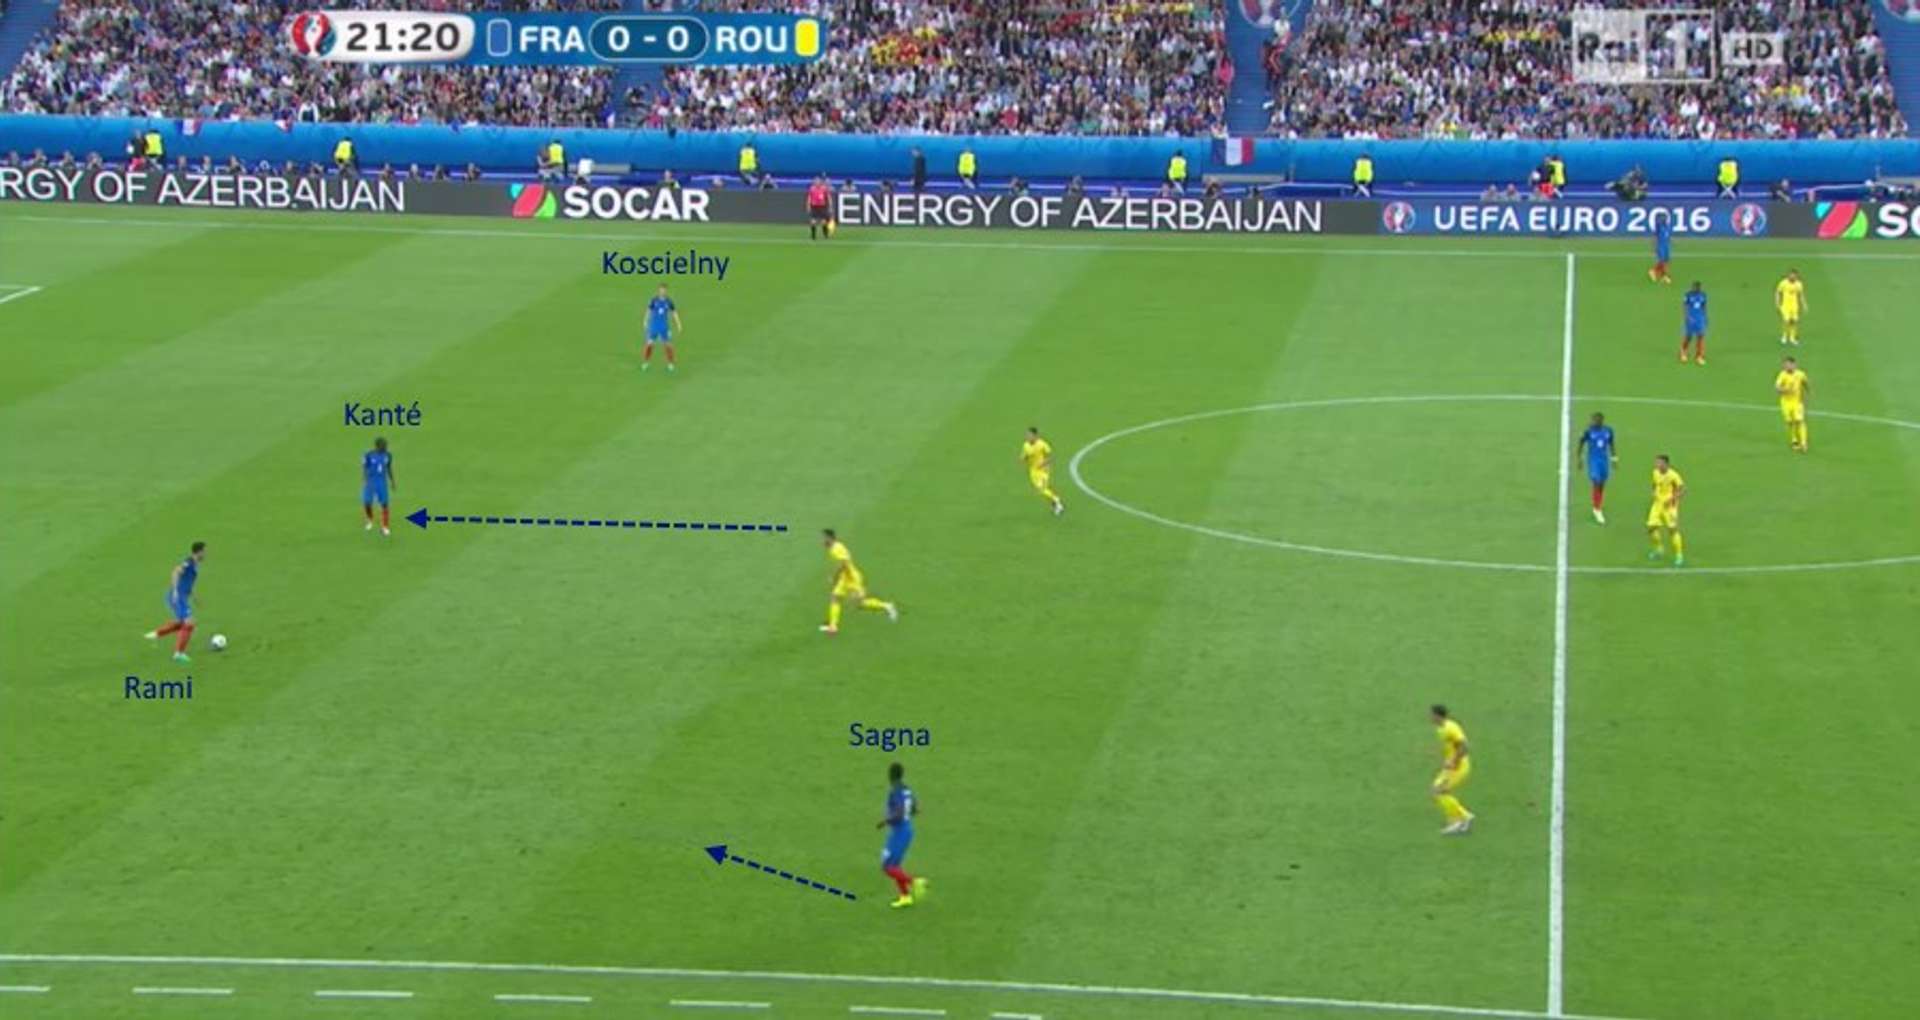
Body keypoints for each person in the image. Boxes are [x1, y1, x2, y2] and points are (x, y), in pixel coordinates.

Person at [820, 529, 898, 635]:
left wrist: (834, 577)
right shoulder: (833, 548)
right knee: (835, 597)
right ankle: (833, 626)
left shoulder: (837, 548)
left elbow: (843, 564)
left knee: (860, 603)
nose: (822, 540)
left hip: (853, 579)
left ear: (830, 538)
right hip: (845, 579)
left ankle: (887, 606)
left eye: (824, 538)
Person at [143, 542, 207, 663]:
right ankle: (178, 654)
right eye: (204, 551)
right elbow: (175, 572)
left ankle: (157, 634)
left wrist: (194, 596)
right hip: (177, 598)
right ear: (199, 552)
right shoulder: (189, 562)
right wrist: (175, 591)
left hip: (182, 597)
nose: (205, 554)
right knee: (189, 623)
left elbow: (188, 581)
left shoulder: (195, 564)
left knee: (183, 623)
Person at [876, 761, 927, 908]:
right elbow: (915, 809)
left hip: (899, 833)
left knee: (887, 866)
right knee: (895, 865)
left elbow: (899, 813)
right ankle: (905, 897)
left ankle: (914, 882)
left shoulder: (895, 791)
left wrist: (885, 821)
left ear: (890, 775)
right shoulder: (907, 790)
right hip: (906, 830)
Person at [1429, 705, 1473, 835]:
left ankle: (1460, 820)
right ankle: (1461, 817)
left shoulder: (1450, 728)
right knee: (1436, 790)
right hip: (1451, 767)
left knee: (1439, 791)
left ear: (1438, 716)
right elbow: (1451, 746)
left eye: (1432, 715)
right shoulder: (1441, 728)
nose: (1430, 717)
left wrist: (1454, 761)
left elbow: (1464, 746)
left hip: (1458, 767)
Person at [1576, 413, 1618, 524]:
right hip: (1593, 460)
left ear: (1601, 421)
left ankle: (1597, 503)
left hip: (1604, 460)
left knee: (1602, 484)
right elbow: (1581, 443)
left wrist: (1614, 458)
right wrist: (1579, 459)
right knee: (1597, 482)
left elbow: (1611, 444)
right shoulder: (1588, 431)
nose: (1593, 422)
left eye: (1595, 420)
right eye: (1593, 420)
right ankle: (1597, 508)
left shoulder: (1608, 431)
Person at [1646, 454, 1686, 567]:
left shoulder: (1673, 475)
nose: (1657, 464)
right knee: (1651, 527)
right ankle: (1659, 549)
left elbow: (1683, 490)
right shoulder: (1655, 472)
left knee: (1672, 530)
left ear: (1666, 464)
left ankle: (1679, 555)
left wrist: (1672, 499)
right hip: (1657, 504)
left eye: (1659, 463)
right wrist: (1654, 492)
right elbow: (1654, 484)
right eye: (1656, 462)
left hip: (1670, 506)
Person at [1019, 427, 1064, 516]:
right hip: (1033, 471)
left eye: (1029, 435)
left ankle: (1057, 502)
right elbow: (1025, 455)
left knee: (1042, 489)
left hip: (1043, 470)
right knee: (1042, 489)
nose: (1027, 436)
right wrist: (1022, 459)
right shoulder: (1025, 445)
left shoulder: (1042, 444)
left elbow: (1050, 457)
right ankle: (1056, 504)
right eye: (1027, 435)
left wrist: (1045, 463)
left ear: (1035, 435)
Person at [641, 284, 682, 373]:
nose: (662, 292)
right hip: (654, 326)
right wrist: (645, 321)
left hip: (664, 327)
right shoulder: (654, 300)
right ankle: (646, 362)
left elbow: (674, 313)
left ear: (666, 291)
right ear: (658, 291)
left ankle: (670, 364)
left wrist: (678, 324)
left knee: (668, 346)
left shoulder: (669, 302)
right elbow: (648, 311)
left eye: (664, 290)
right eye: (661, 290)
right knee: (649, 345)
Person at [1775, 356, 1811, 453]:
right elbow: (1777, 388)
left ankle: (1804, 443)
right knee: (1790, 422)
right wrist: (1784, 390)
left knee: (1800, 420)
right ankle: (1794, 440)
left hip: (1797, 402)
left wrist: (1807, 395)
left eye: (1788, 364)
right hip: (1785, 402)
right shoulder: (1782, 375)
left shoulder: (1800, 374)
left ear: (1794, 365)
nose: (1786, 367)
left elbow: (1806, 383)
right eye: (1785, 365)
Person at [362, 437, 396, 535]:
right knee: (367, 503)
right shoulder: (368, 455)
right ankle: (369, 519)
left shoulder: (388, 455)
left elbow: (389, 468)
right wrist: (365, 480)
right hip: (371, 482)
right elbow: (365, 467)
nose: (386, 447)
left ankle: (385, 527)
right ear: (378, 446)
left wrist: (392, 481)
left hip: (382, 483)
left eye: (386, 446)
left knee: (384, 504)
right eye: (384, 446)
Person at [1774, 269, 1806, 346]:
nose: (1793, 277)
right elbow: (1777, 292)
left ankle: (1792, 338)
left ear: (1797, 276)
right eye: (1791, 275)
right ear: (1789, 275)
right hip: (1785, 306)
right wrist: (1777, 302)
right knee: (1786, 321)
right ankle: (1784, 336)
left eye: (1795, 276)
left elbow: (1801, 295)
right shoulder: (1783, 283)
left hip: (1795, 306)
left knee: (1794, 321)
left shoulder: (1799, 284)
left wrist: (1804, 304)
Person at [1679, 282, 1708, 365]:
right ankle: (1683, 352)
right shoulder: (1688, 295)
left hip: (1700, 319)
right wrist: (1686, 317)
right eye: (1693, 287)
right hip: (1691, 318)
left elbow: (1704, 306)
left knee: (1700, 337)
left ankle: (1699, 356)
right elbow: (1685, 306)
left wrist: (1705, 317)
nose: (1694, 289)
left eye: (1696, 287)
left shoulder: (1703, 295)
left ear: (1699, 288)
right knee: (1688, 336)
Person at [1649, 211, 1674, 284]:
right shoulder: (1659, 225)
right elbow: (1655, 235)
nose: (1664, 219)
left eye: (1665, 217)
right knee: (1661, 261)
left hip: (1666, 245)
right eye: (1663, 217)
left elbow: (1667, 235)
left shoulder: (1668, 226)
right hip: (1660, 245)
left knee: (1666, 261)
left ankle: (1659, 274)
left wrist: (1670, 241)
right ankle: (1659, 274)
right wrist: (1654, 245)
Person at [807, 174, 833, 240]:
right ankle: (813, 236)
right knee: (813, 222)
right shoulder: (812, 189)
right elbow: (809, 198)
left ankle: (825, 234)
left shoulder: (824, 188)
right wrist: (808, 206)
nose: (816, 182)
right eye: (815, 181)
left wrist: (830, 206)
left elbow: (829, 197)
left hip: (822, 207)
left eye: (818, 181)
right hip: (814, 207)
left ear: (820, 182)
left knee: (823, 222)